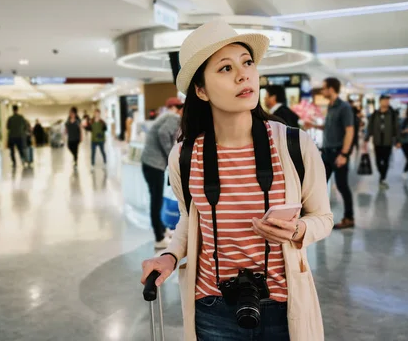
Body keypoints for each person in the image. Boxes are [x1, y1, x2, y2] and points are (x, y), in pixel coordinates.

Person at [140, 20, 333, 341]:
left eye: (247, 63)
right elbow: (190, 219)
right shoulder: (185, 156)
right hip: (212, 306)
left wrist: (298, 230)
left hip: (282, 305)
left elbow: (323, 218)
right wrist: (169, 256)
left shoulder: (295, 145)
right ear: (200, 90)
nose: (243, 75)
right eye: (225, 68)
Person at [309, 77, 355, 230]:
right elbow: (330, 128)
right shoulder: (331, 106)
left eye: (324, 88)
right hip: (327, 152)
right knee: (320, 184)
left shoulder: (344, 107)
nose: (322, 91)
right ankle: (319, 216)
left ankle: (349, 218)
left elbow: (350, 131)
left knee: (342, 185)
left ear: (331, 89)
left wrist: (344, 154)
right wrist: (314, 125)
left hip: (338, 153)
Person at [140, 97, 184, 249]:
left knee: (156, 198)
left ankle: (162, 230)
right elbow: (163, 133)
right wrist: (170, 153)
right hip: (154, 164)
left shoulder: (166, 116)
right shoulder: (174, 117)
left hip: (149, 163)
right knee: (156, 200)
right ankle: (159, 238)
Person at [365, 95, 401, 189]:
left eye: (387, 101)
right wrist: (367, 137)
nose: (386, 102)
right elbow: (370, 127)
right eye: (384, 100)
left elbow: (397, 128)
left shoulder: (393, 114)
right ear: (380, 101)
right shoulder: (374, 114)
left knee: (385, 160)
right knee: (377, 161)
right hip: (377, 141)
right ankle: (382, 175)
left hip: (387, 141)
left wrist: (398, 140)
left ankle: (382, 178)